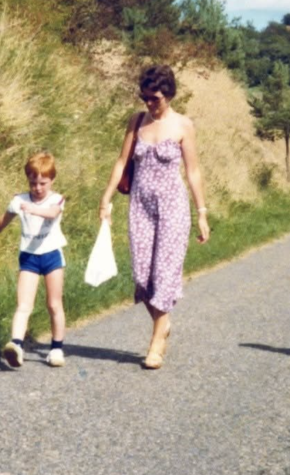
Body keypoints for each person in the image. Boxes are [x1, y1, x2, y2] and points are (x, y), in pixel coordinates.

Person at [99, 64, 210, 370]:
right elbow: (121, 162)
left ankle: (157, 343)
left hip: (173, 208)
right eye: (145, 97)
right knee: (142, 275)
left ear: (169, 95)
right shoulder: (136, 122)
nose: (149, 103)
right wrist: (106, 198)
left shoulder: (183, 125)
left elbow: (193, 171)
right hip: (140, 207)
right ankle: (164, 323)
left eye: (155, 98)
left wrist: (202, 212)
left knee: (164, 272)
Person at [0, 152, 68, 368]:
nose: (37, 188)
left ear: (52, 180)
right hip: (29, 257)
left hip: (51, 256)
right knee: (23, 305)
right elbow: (3, 219)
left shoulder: (56, 199)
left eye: (43, 183)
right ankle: (16, 345)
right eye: (33, 183)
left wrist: (34, 209)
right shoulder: (19, 200)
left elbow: (52, 213)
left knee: (54, 304)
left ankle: (56, 348)